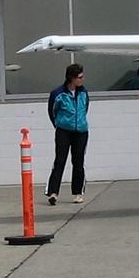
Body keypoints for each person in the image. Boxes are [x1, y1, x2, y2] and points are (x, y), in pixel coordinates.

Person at [45, 63, 90, 204]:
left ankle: (78, 192)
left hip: (81, 131)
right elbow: (52, 111)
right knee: (60, 160)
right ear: (71, 78)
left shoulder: (83, 92)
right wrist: (59, 124)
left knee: (78, 162)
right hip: (64, 131)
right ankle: (53, 192)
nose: (82, 79)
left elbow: (85, 108)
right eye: (79, 77)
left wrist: (80, 122)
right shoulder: (58, 93)